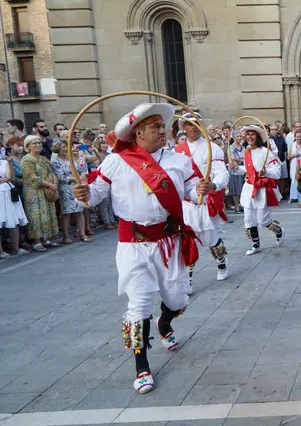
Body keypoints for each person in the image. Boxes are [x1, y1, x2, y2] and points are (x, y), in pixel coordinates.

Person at [74, 103, 206, 394]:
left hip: (168, 242)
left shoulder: (178, 161)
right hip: (133, 244)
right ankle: (141, 366)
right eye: (156, 128)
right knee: (139, 304)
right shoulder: (116, 161)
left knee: (178, 298)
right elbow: (95, 194)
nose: (163, 131)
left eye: (162, 126)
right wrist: (85, 193)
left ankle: (165, 322)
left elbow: (194, 192)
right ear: (138, 133)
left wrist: (200, 192)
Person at [174, 112, 230, 282]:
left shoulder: (212, 148)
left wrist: (214, 185)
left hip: (206, 202)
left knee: (211, 238)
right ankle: (188, 278)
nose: (195, 127)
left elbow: (222, 173)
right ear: (184, 127)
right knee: (188, 240)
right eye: (191, 124)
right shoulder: (176, 151)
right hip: (187, 204)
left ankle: (222, 262)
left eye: (198, 123)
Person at [232, 125, 284, 256]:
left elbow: (277, 172)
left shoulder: (266, 152)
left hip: (262, 189)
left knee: (263, 220)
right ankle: (256, 245)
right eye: (248, 134)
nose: (249, 137)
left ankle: (279, 231)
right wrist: (236, 168)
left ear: (258, 137)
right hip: (249, 187)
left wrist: (267, 172)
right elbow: (249, 170)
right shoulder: (246, 152)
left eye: (252, 134)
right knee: (249, 219)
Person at [20, 135, 59, 251]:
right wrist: (50, 184)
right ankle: (36, 241)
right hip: (33, 192)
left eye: (38, 143)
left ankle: (46, 238)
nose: (37, 145)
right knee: (36, 216)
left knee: (47, 213)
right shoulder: (26, 160)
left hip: (47, 190)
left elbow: (51, 172)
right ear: (28, 146)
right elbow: (31, 177)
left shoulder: (43, 159)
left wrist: (54, 183)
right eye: (34, 143)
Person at [51, 140, 90, 243]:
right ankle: (66, 236)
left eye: (66, 146)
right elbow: (60, 177)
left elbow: (81, 169)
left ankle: (82, 233)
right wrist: (76, 178)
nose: (66, 149)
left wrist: (82, 176)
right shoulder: (55, 161)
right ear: (58, 148)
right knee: (66, 213)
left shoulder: (72, 158)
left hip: (77, 186)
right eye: (63, 146)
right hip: (66, 188)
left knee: (80, 211)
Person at [0, 155, 28, 258]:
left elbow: (10, 177)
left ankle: (15, 247)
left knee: (14, 220)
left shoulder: (4, 162)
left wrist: (10, 163)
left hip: (8, 192)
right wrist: (5, 179)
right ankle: (1, 251)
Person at [228, 132, 246, 213]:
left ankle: (242, 204)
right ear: (234, 137)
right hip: (234, 169)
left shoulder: (243, 147)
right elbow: (233, 158)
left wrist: (240, 159)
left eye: (240, 136)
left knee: (242, 188)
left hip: (242, 169)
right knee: (235, 189)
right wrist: (241, 159)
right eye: (237, 136)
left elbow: (245, 157)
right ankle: (236, 206)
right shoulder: (231, 147)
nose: (239, 138)